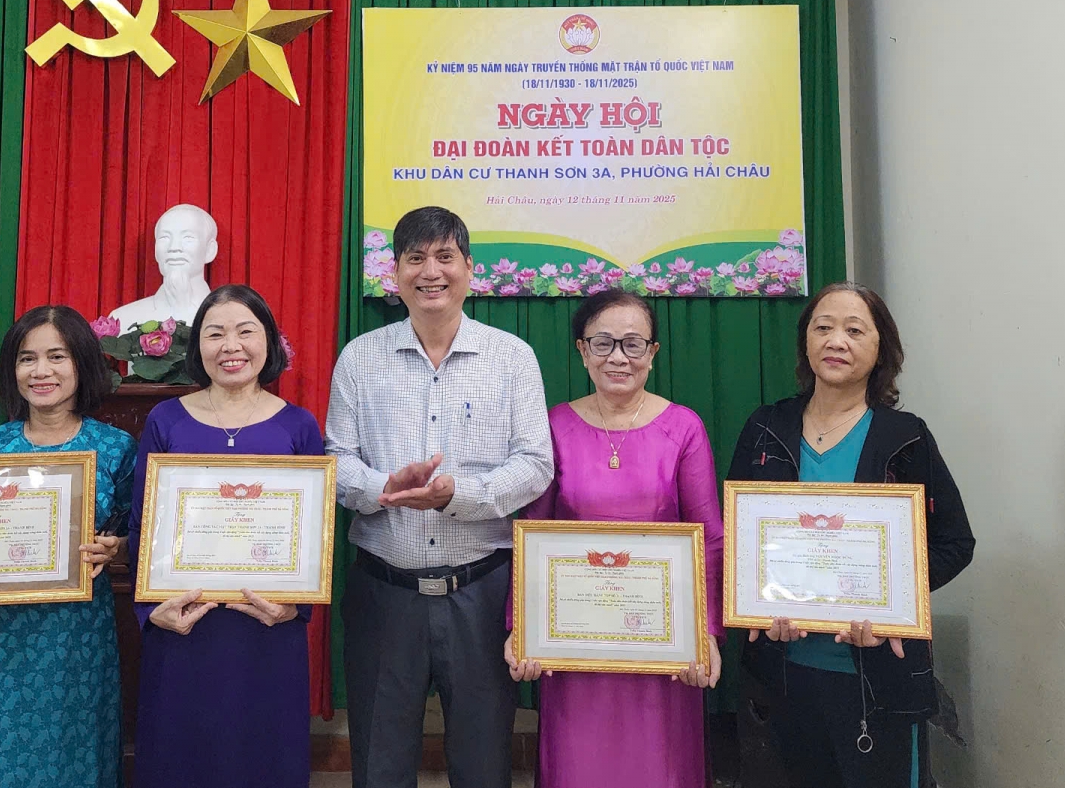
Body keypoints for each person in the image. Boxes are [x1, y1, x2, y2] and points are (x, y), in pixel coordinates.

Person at [327, 206, 555, 788]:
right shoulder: (359, 358)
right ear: (394, 273)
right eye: (416, 258)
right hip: (384, 594)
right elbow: (336, 462)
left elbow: (536, 465)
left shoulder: (512, 357)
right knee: (380, 766)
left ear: (470, 269)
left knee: (483, 766)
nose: (431, 272)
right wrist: (384, 488)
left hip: (481, 594)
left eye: (445, 257)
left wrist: (461, 495)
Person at [727, 282, 975, 788]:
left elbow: (955, 543)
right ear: (806, 342)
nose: (836, 340)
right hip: (783, 674)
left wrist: (894, 608)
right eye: (823, 327)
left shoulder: (905, 437)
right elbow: (737, 537)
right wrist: (755, 603)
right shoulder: (766, 427)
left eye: (855, 330)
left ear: (882, 349)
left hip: (877, 680)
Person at [504, 289, 724, 788]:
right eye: (603, 343)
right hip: (573, 646)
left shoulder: (684, 427)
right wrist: (522, 626)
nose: (618, 357)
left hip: (664, 648)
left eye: (633, 343)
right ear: (582, 351)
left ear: (654, 352)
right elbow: (530, 533)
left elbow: (709, 538)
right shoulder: (554, 425)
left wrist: (706, 633)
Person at [126, 284, 325, 788]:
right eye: (215, 334)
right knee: (180, 758)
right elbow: (141, 523)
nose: (230, 346)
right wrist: (150, 611)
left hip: (267, 625)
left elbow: (316, 534)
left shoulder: (299, 425)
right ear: (198, 347)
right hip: (184, 623)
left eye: (245, 331)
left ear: (269, 342)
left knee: (264, 756)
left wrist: (296, 608)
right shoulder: (165, 419)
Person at [0, 305, 137, 788]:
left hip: (75, 637)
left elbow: (140, 542)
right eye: (27, 358)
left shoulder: (115, 448)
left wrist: (116, 548)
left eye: (56, 356)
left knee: (71, 752)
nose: (40, 371)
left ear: (81, 365)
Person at [109, 203, 219, 327]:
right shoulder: (123, 319)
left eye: (188, 238)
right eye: (164, 238)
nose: (174, 247)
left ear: (210, 250)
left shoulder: (231, 316)